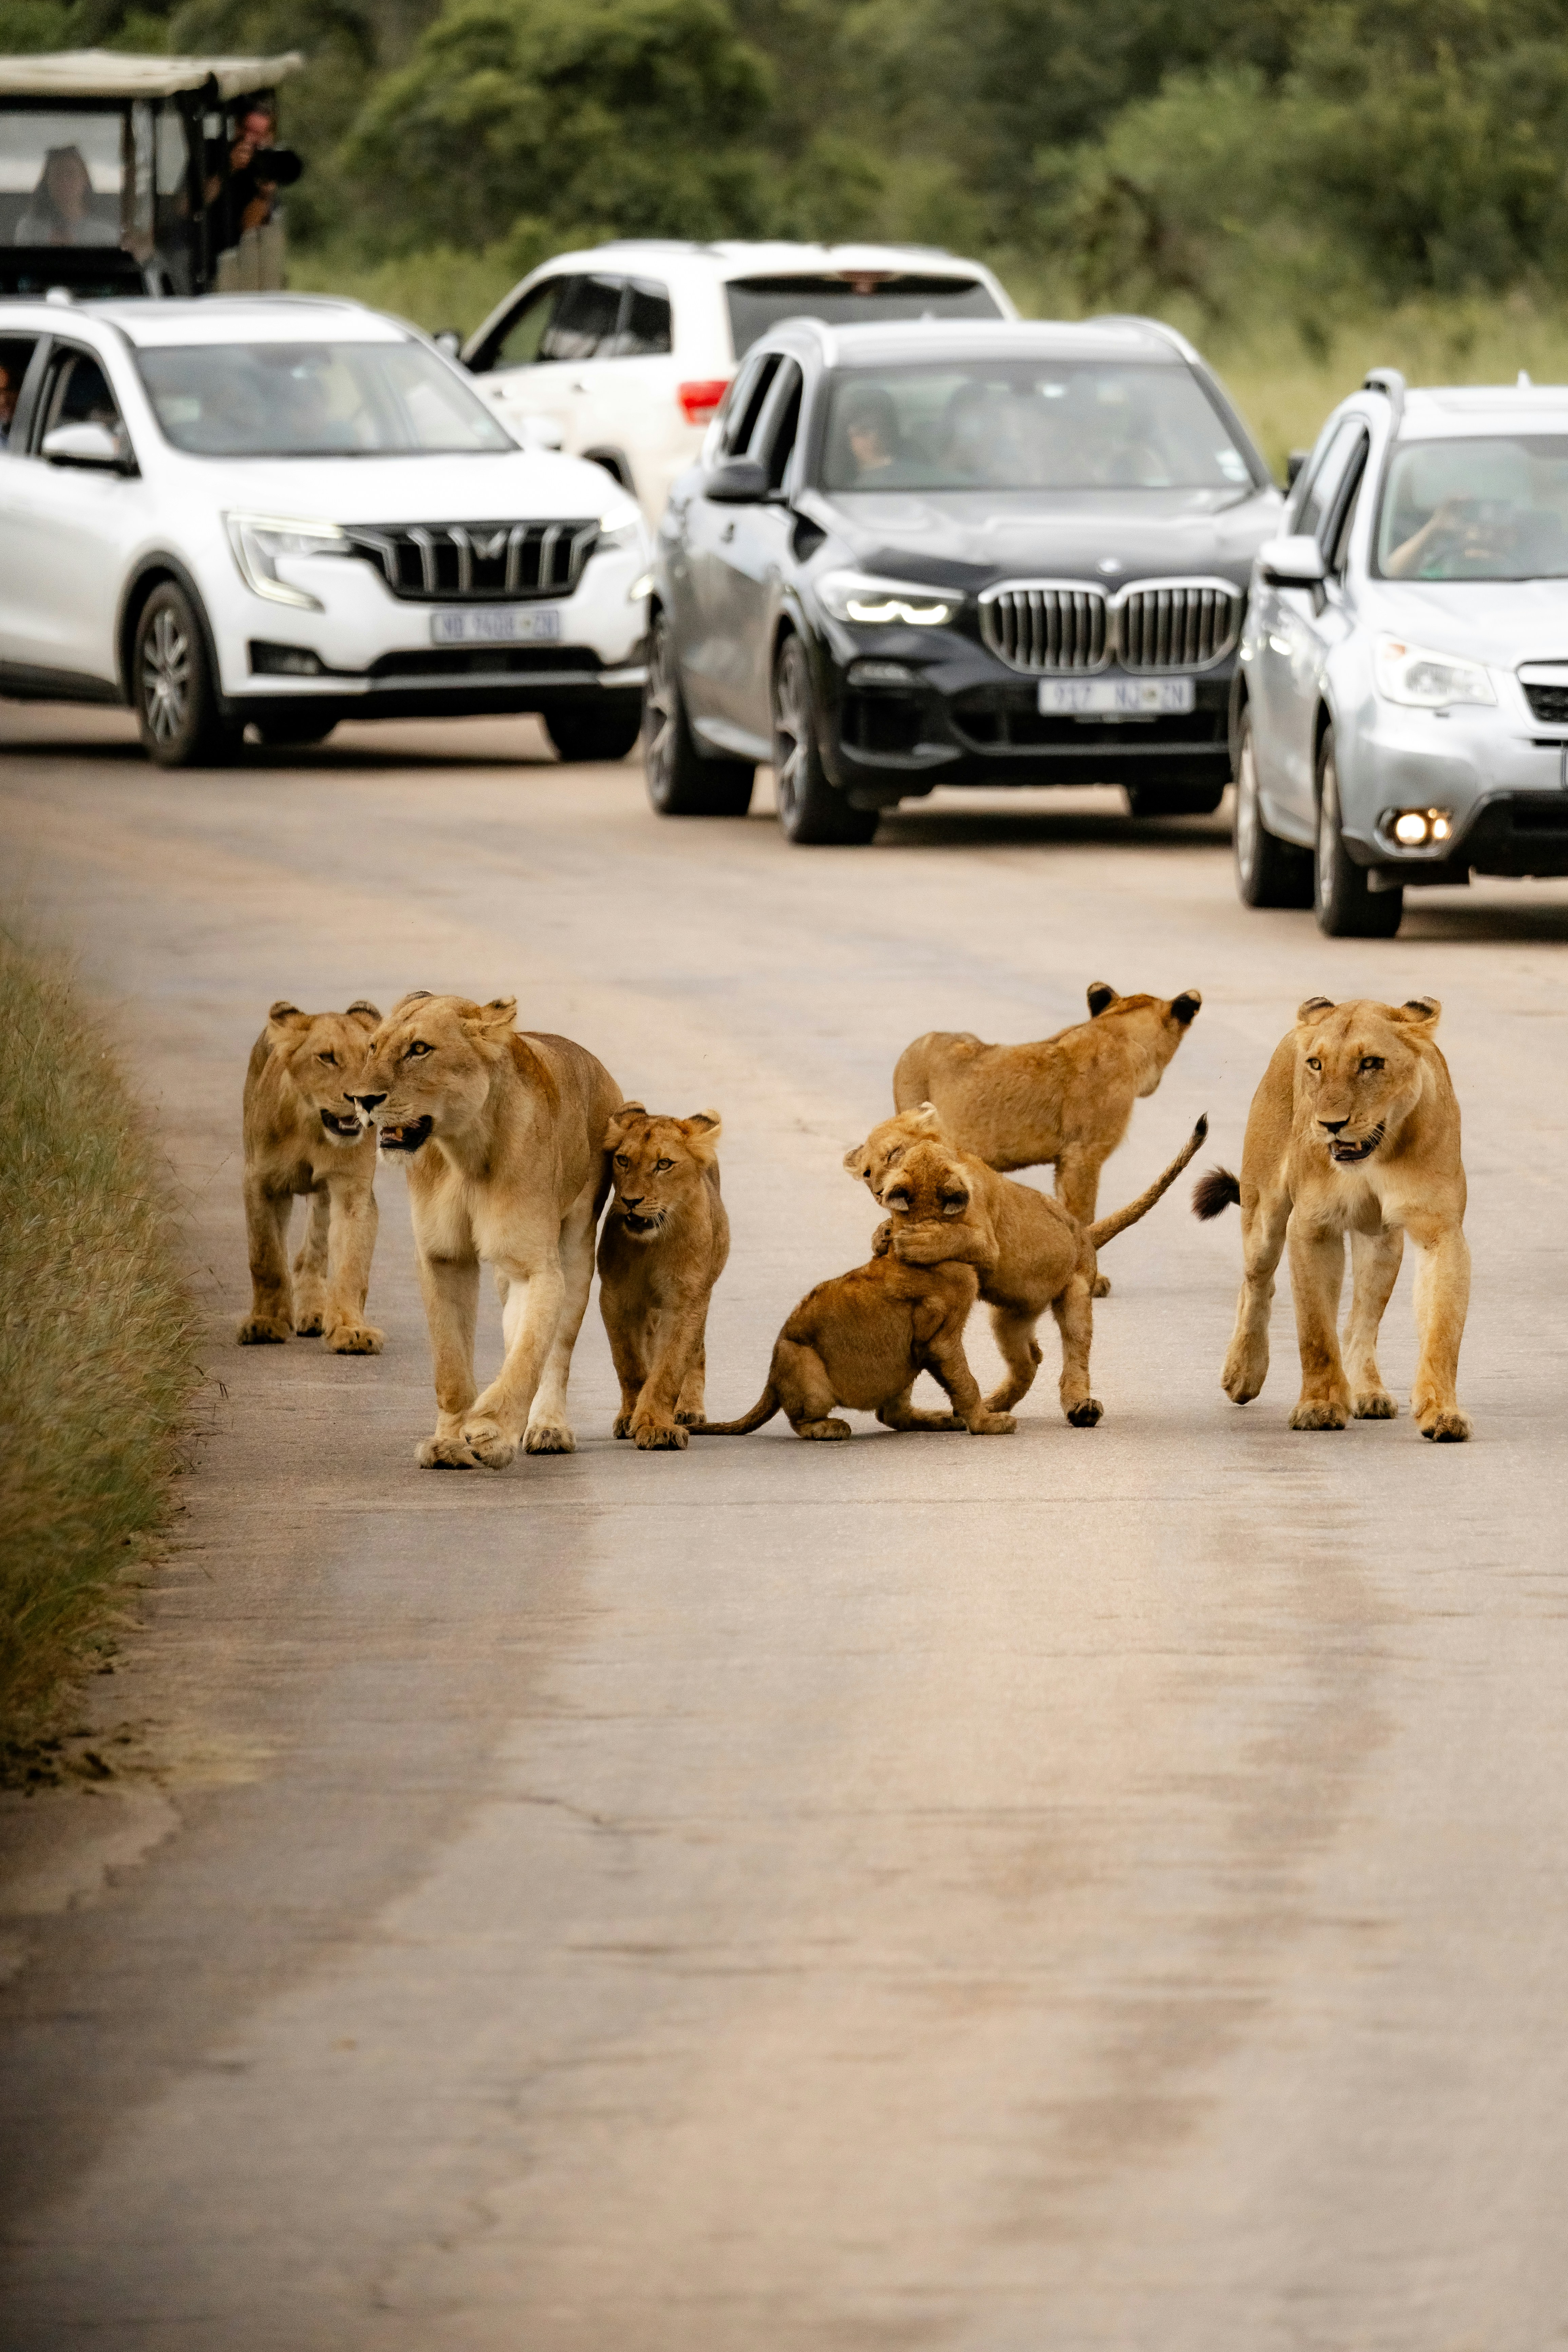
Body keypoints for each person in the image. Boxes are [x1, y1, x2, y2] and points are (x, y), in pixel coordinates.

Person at [205, 100, 303, 252]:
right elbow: (188, 206)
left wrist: (264, 196)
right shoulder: (214, 152)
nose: (249, 140)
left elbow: (249, 234)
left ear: (270, 137)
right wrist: (226, 169)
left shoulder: (268, 173)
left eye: (257, 135)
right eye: (245, 129)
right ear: (237, 125)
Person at [14, 147, 117, 248]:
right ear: (47, 183)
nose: (64, 182)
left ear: (85, 180)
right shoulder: (30, 228)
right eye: (58, 175)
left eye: (71, 174)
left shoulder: (106, 235)